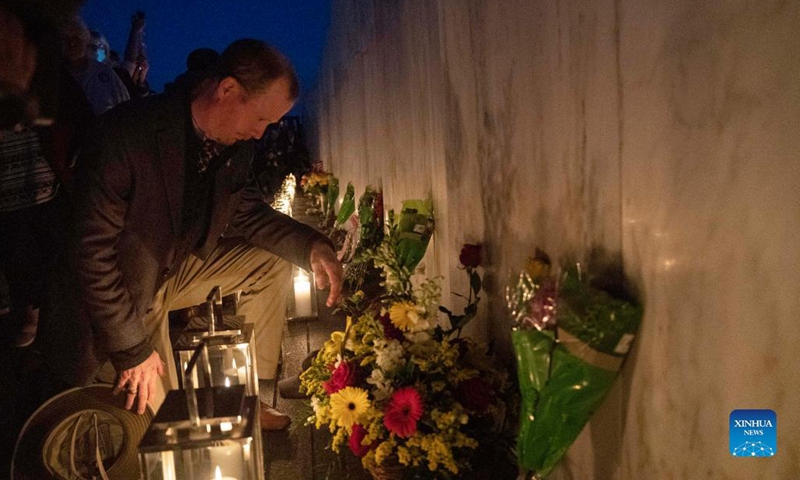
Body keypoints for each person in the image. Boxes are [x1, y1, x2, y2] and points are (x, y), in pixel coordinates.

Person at [50, 38, 342, 430]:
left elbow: (249, 214)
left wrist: (312, 245)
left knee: (273, 261)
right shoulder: (127, 136)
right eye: (261, 119)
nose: (261, 134)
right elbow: (91, 253)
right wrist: (132, 349)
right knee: (169, 430)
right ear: (227, 90)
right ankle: (176, 405)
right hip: (123, 289)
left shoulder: (233, 147)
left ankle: (243, 400)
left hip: (173, 271)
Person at [61, 15, 129, 115]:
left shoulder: (104, 72)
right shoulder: (54, 74)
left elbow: (125, 107)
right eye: (65, 38)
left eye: (76, 38)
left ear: (85, 40)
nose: (72, 43)